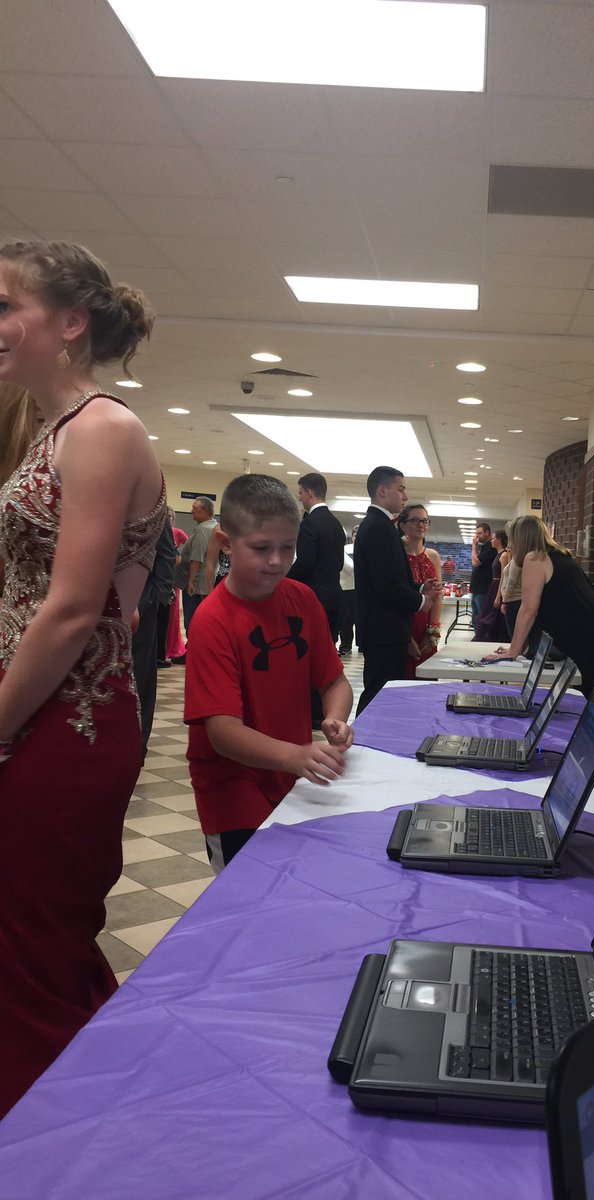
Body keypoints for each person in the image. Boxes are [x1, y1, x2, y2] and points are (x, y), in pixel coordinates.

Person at [0, 238, 163, 1116]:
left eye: (3, 305)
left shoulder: (103, 428)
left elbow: (73, 612)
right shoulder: (57, 429)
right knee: (35, 946)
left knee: (32, 945)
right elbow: (124, 604)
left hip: (65, 725)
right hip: (55, 713)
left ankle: (49, 1137)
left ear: (68, 323)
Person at [183, 474, 353, 872]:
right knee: (245, 900)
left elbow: (334, 681)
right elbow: (222, 732)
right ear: (226, 543)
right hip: (234, 793)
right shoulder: (213, 619)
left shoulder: (302, 598)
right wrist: (295, 755)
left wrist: (335, 718)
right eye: (261, 548)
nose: (277, 561)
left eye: (288, 548)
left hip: (290, 778)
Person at [483, 514, 594, 701]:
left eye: (512, 538)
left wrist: (514, 651)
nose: (510, 545)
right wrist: (517, 648)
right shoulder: (559, 555)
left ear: (522, 538)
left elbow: (529, 608)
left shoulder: (535, 558)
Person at [354, 465, 441, 714]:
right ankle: (362, 743)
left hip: (384, 628)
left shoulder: (380, 525)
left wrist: (418, 586)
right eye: (400, 489)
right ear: (382, 490)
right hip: (383, 629)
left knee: (384, 691)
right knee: (378, 693)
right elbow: (387, 584)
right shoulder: (379, 527)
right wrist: (420, 601)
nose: (404, 496)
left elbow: (391, 577)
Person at [132, 516, 176, 753]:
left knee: (140, 675)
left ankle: (138, 743)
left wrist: (154, 599)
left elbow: (166, 553)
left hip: (141, 604)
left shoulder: (152, 505)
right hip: (95, 604)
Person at [286, 471, 346, 642]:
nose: (300, 498)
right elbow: (339, 563)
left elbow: (306, 562)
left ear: (309, 492)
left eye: (300, 493)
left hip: (314, 598)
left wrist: (284, 579)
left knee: (312, 650)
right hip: (335, 597)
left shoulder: (310, 523)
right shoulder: (336, 523)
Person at [397, 503, 443, 677]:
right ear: (403, 526)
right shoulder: (398, 554)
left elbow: (438, 596)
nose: (421, 525)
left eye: (425, 521)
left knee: (426, 678)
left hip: (426, 623)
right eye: (415, 520)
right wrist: (406, 637)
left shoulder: (433, 555)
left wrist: (433, 630)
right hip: (404, 622)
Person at [180, 495, 217, 636]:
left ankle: (191, 652)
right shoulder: (214, 527)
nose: (192, 511)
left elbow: (196, 559)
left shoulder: (203, 530)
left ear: (205, 511)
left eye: (195, 508)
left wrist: (190, 582)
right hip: (206, 584)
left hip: (197, 585)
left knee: (193, 620)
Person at [474, 528, 507, 642]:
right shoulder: (498, 554)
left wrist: (499, 596)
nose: (492, 541)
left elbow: (504, 576)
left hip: (497, 586)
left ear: (499, 540)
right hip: (493, 586)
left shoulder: (504, 555)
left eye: (493, 538)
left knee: (492, 617)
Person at [164, 508, 188, 663]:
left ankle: (171, 646)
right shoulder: (160, 532)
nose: (169, 518)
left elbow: (189, 546)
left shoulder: (178, 532)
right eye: (167, 516)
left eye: (171, 516)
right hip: (161, 577)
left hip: (173, 579)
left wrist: (179, 561)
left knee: (173, 614)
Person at [338, 525, 358, 657]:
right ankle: (345, 645)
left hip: (363, 589)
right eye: (355, 535)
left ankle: (362, 645)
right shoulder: (345, 550)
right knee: (346, 619)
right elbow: (349, 567)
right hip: (347, 588)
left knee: (363, 618)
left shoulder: (368, 550)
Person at [469, 522, 497, 620]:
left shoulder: (491, 547)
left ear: (487, 533)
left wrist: (473, 546)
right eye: (476, 534)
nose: (477, 537)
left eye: (479, 533)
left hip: (483, 590)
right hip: (477, 590)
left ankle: (482, 636)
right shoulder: (485, 546)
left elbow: (476, 562)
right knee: (475, 619)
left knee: (481, 618)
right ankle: (478, 635)